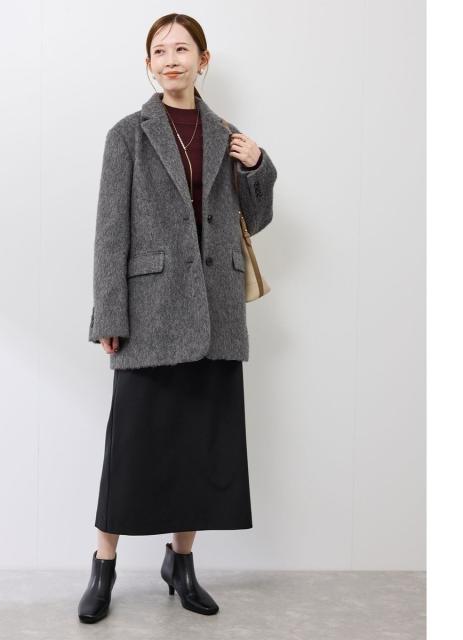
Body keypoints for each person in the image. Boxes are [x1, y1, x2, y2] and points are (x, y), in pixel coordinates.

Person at [78, 13, 277, 624]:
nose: (172, 59)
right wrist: (109, 313)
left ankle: (181, 563)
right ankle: (103, 566)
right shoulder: (127, 135)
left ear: (203, 60)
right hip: (150, 312)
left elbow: (255, 220)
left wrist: (257, 167)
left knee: (200, 448)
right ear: (148, 65)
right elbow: (110, 231)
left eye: (182, 49)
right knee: (130, 447)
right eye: (160, 51)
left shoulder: (225, 133)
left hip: (216, 313)